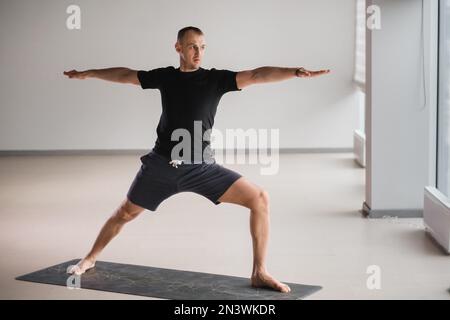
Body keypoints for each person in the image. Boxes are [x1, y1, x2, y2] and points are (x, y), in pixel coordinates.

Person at [63, 26, 330, 293]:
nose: (198, 52)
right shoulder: (166, 77)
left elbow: (258, 75)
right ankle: (90, 258)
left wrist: (294, 72)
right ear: (178, 48)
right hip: (162, 166)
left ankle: (259, 272)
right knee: (124, 213)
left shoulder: (216, 80)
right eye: (191, 46)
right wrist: (91, 73)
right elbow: (126, 75)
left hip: (202, 167)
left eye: (202, 47)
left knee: (259, 199)